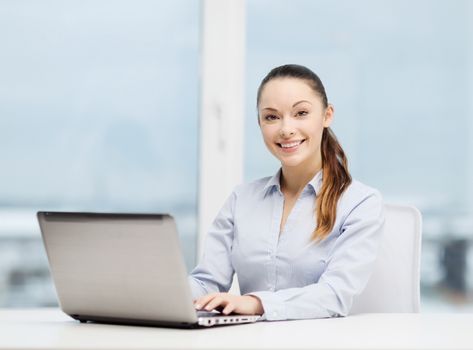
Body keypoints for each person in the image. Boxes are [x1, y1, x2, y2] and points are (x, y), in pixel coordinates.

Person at [189, 64, 385, 320]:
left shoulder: (360, 203)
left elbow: (335, 295)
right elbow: (207, 282)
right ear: (259, 122)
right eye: (271, 117)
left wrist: (256, 303)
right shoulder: (242, 199)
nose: (286, 129)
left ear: (327, 116)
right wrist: (163, 296)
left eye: (301, 113)